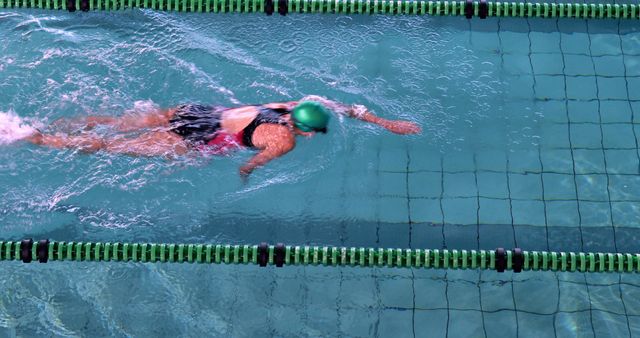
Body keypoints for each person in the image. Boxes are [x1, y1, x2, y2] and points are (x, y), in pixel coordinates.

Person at [23, 95, 421, 178]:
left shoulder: (292, 104)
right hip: (199, 139)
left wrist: (385, 122)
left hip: (196, 112)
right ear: (304, 129)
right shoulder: (286, 141)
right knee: (112, 148)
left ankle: (51, 120)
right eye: (314, 132)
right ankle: (33, 138)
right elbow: (254, 161)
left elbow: (336, 105)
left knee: (113, 122)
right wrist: (247, 169)